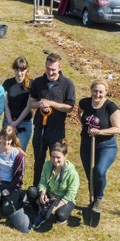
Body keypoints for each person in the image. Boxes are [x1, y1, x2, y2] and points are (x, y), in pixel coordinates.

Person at [27, 53, 75, 187]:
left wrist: (51, 104)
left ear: (60, 68)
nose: (50, 72)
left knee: (57, 161)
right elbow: (31, 103)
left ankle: (56, 189)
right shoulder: (38, 82)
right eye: (48, 68)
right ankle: (36, 189)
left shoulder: (67, 84)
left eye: (53, 69)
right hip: (40, 129)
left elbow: (69, 107)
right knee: (39, 161)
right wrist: (40, 104)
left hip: (57, 130)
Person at [78, 79, 120, 213]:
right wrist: (86, 126)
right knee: (90, 175)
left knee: (99, 171)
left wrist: (100, 132)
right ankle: (91, 202)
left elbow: (117, 128)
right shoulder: (84, 102)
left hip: (106, 146)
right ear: (91, 91)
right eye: (95, 91)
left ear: (106, 92)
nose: (97, 94)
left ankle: (99, 198)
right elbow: (80, 114)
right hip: (86, 144)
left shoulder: (111, 107)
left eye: (101, 92)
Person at [26, 140, 79, 229]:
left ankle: (57, 211)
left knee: (60, 216)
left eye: (58, 157)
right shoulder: (47, 165)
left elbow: (71, 194)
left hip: (64, 199)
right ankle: (41, 209)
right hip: (50, 195)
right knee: (31, 191)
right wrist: (42, 193)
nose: (55, 160)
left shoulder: (72, 173)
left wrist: (55, 207)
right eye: (52, 156)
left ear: (65, 156)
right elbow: (43, 181)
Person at [0, 126, 26, 218]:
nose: (6, 142)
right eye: (4, 139)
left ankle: (18, 196)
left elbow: (19, 177)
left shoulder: (19, 155)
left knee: (8, 210)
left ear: (13, 139)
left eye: (9, 139)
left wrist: (9, 189)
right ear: (0, 137)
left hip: (12, 184)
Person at [3, 56, 33, 151]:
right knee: (7, 151)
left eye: (22, 70)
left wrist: (16, 123)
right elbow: (5, 104)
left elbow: (29, 106)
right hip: (8, 121)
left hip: (24, 123)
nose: (19, 73)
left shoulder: (31, 84)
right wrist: (10, 123)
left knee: (19, 152)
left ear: (27, 69)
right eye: (17, 70)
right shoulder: (8, 83)